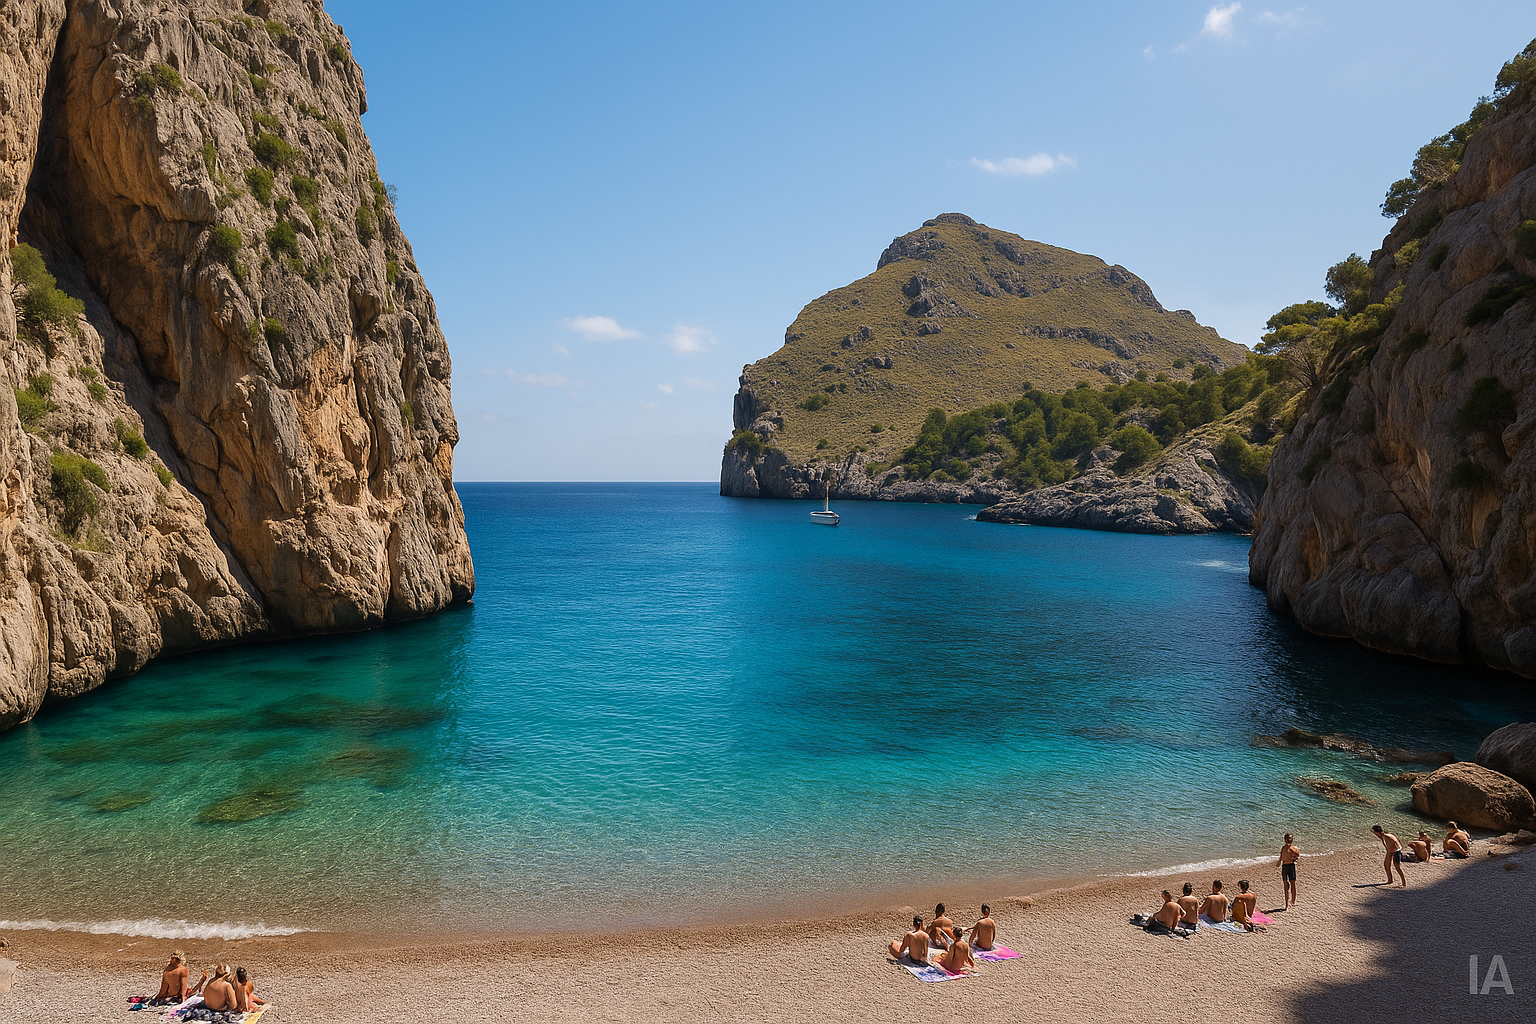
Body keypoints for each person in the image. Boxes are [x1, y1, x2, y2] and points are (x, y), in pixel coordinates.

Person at [1277, 833, 1300, 908]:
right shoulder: (1283, 848)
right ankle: (1286, 903)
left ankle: (1293, 900)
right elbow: (1281, 856)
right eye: (1288, 839)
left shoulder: (1293, 848)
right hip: (1284, 866)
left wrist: (1294, 858)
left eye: (1291, 839)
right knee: (1285, 884)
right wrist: (1279, 861)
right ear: (1285, 839)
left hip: (1291, 866)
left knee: (1293, 883)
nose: (1290, 840)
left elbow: (1297, 855)